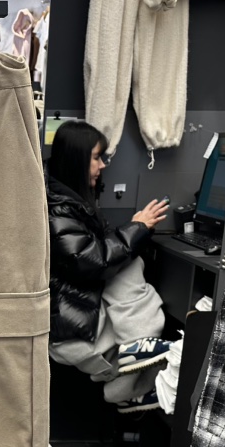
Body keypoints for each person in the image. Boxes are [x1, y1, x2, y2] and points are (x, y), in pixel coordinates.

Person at [46, 120, 170, 412]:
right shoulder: (58, 209)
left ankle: (129, 389)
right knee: (128, 266)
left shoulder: (66, 200)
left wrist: (136, 227)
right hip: (72, 328)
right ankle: (139, 342)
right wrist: (137, 228)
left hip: (73, 316)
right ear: (77, 160)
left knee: (128, 263)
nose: (102, 165)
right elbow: (91, 260)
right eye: (96, 157)